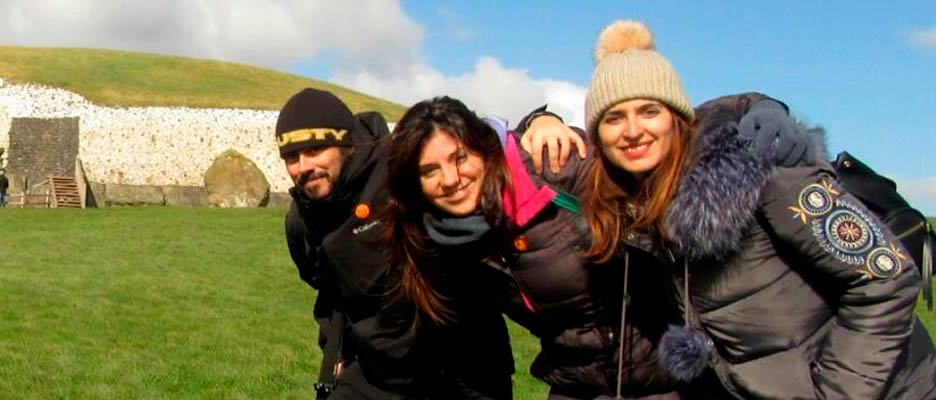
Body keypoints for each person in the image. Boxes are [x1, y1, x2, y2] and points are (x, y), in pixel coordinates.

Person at [523, 20, 936, 398]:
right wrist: (538, 121)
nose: (633, 130)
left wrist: (837, 394)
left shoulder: (763, 167)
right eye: (614, 117)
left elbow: (886, 278)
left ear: (676, 118)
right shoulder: (638, 214)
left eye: (649, 111)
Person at [387, 96, 687, 399]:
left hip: (664, 375)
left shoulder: (553, 164)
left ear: (483, 146)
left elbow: (651, 184)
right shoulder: (441, 240)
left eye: (460, 157)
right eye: (429, 171)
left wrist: (543, 119)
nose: (450, 179)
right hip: (575, 383)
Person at [279, 88, 510, 398]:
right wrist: (337, 352)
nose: (303, 166)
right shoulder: (302, 221)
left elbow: (472, 144)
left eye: (315, 150)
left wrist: (541, 121)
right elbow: (330, 290)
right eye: (292, 157)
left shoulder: (398, 165)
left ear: (346, 145)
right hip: (383, 368)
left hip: (466, 357)